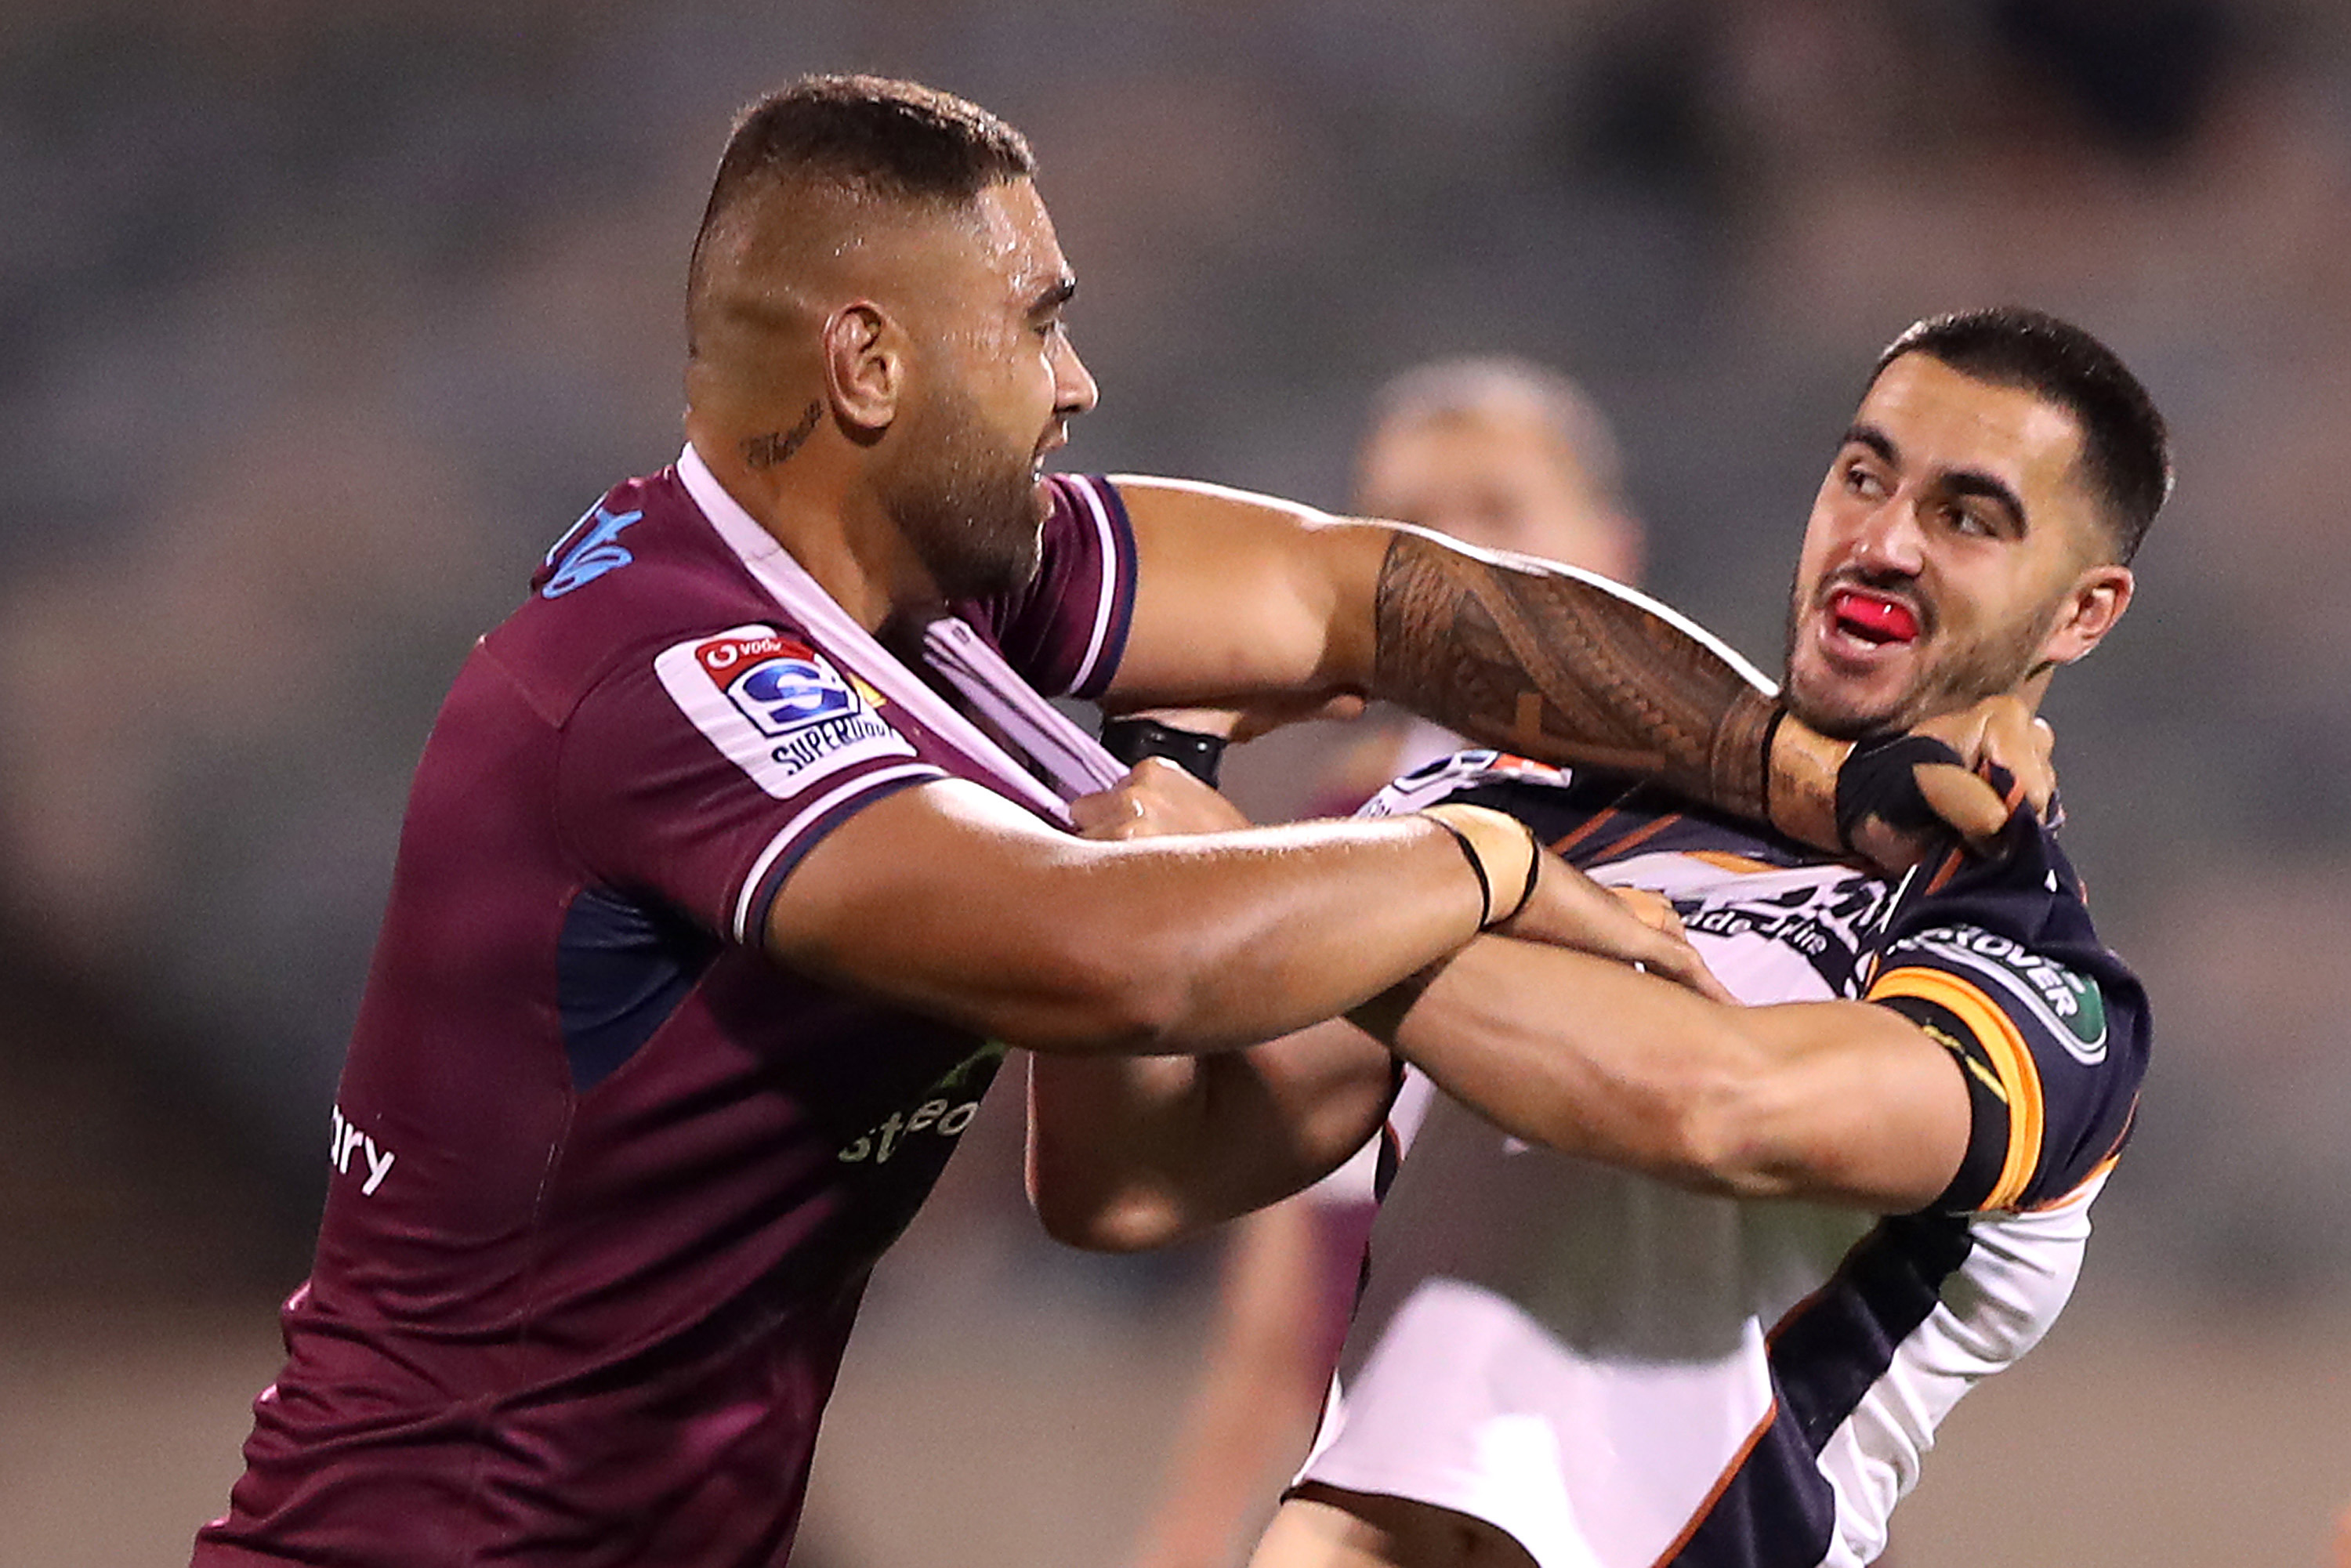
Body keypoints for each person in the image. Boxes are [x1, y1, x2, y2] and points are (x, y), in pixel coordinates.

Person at [190, 74, 2038, 1568]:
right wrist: (1480, 862)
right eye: (1037, 322)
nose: (1077, 379)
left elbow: (1367, 599)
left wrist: (1801, 769)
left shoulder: (936, 581)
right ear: (868, 366)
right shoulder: (671, 676)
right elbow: (1109, 955)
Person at [1030, 306, 2164, 1568]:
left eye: (1966, 515)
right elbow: (1127, 1184)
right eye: (1863, 475)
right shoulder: (1537, 803)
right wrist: (1154, 791)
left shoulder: (2032, 969)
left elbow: (1715, 1106)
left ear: (2084, 611)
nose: (1883, 540)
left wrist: (1400, 891)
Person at [1126, 357, 1649, 1568]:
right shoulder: (1332, 840)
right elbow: (1296, 1275)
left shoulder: (1729, 822)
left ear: (1612, 546)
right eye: (1411, 527)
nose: (1454, 564)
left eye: (1500, 513)